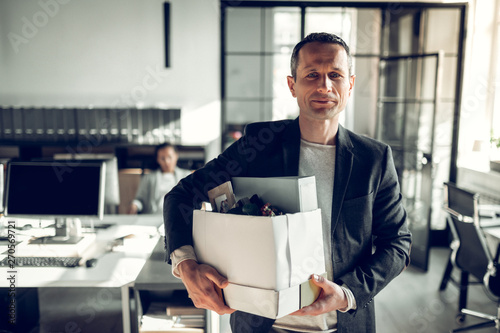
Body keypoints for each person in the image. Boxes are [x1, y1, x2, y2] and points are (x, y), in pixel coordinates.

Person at [163, 32, 411, 332]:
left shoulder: (374, 158)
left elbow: (397, 243)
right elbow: (181, 195)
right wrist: (186, 266)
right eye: (312, 75)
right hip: (261, 324)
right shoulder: (257, 145)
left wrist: (347, 294)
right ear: (292, 85)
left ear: (350, 84)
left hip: (343, 324)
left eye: (335, 74)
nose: (324, 85)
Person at [129, 143, 191, 215]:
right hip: (154, 216)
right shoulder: (148, 178)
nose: (166, 162)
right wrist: (135, 205)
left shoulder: (187, 176)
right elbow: (139, 200)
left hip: (178, 217)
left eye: (169, 157)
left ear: (176, 156)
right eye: (162, 158)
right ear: (157, 159)